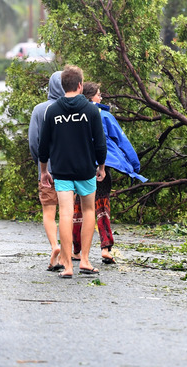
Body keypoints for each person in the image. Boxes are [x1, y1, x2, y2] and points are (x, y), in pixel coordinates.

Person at [37, 65, 107, 278]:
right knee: (88, 212)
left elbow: (43, 144)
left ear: (62, 85)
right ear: (79, 85)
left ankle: (67, 266)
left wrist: (44, 171)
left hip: (61, 170)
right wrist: (101, 166)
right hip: (86, 169)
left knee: (65, 213)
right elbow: (100, 143)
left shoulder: (53, 110)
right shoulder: (91, 110)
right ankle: (84, 260)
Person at [81, 81, 148, 264]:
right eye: (99, 94)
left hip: (80, 167)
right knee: (102, 207)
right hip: (101, 167)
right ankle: (105, 248)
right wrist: (134, 166)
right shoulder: (104, 116)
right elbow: (122, 141)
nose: (101, 97)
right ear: (91, 96)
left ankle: (76, 250)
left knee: (79, 209)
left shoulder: (76, 114)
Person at [28, 70, 65, 272]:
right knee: (67, 213)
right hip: (69, 170)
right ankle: (68, 256)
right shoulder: (72, 109)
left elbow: (34, 141)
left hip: (47, 170)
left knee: (49, 213)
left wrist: (40, 164)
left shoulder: (39, 110)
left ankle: (54, 246)